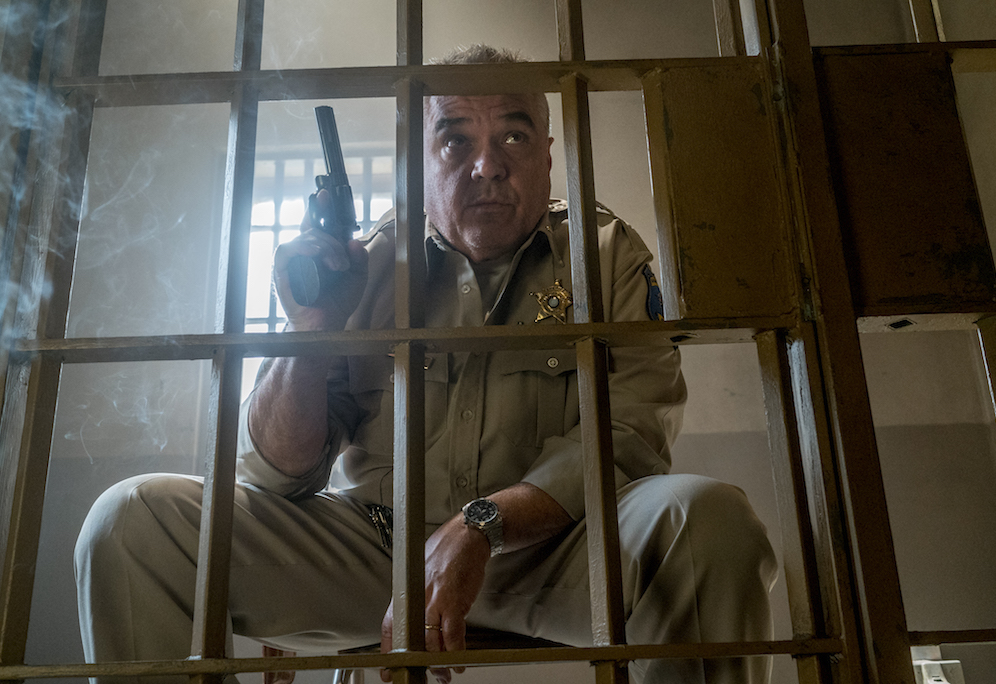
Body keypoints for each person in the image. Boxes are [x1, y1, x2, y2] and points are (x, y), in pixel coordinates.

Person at [75, 45, 777, 684]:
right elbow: (276, 474)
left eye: (513, 136)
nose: (487, 164)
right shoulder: (368, 263)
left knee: (712, 521)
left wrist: (480, 524)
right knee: (131, 522)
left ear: (548, 156)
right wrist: (311, 330)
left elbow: (631, 436)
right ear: (417, 159)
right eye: (455, 139)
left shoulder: (607, 253)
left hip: (559, 552)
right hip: (376, 556)